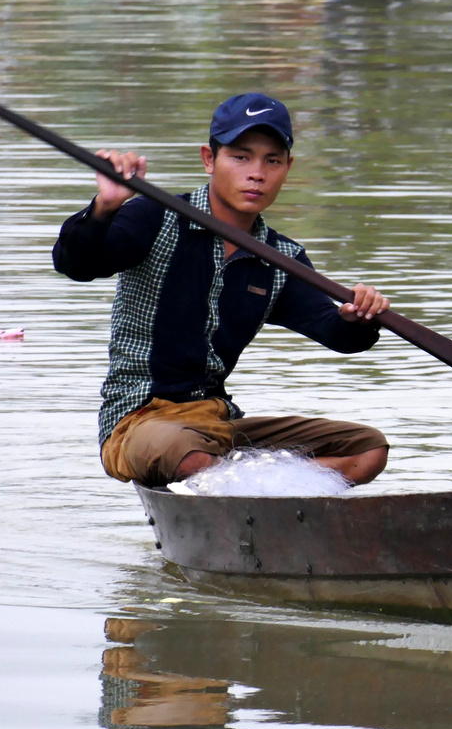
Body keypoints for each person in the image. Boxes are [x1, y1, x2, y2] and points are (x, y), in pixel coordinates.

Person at [53, 93, 391, 488]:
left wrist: (359, 316)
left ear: (287, 168)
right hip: (141, 421)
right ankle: (258, 485)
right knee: (187, 453)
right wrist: (104, 206)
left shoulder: (281, 258)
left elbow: (338, 334)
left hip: (218, 423)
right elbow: (75, 264)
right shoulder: (155, 218)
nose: (257, 174)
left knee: (367, 449)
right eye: (241, 157)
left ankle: (253, 486)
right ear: (209, 159)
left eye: (272, 161)